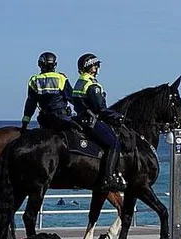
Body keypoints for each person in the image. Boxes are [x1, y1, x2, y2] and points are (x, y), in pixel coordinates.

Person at [71, 53, 126, 192]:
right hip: (91, 120)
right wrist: (117, 116)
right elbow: (100, 109)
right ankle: (109, 178)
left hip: (79, 118)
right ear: (92, 67)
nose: (97, 68)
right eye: (96, 65)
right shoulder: (92, 85)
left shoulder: (79, 82)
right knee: (114, 143)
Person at [21, 52, 74, 133]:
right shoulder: (61, 78)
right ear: (54, 64)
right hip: (62, 118)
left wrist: (25, 123)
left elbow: (30, 105)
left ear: (40, 64)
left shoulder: (34, 80)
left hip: (45, 120)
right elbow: (72, 98)